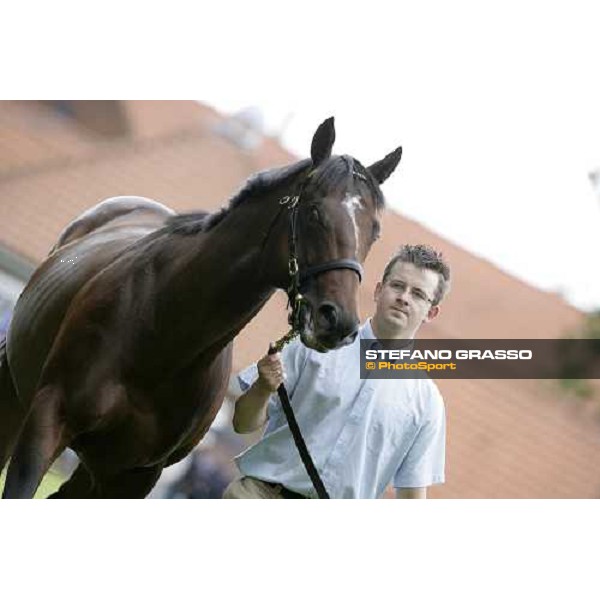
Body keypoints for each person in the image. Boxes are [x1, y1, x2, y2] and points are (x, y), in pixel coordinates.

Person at [223, 244, 451, 499]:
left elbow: (412, 496)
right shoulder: (313, 342)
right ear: (378, 291)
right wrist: (263, 388)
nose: (404, 297)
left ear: (431, 312)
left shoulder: (428, 403)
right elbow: (242, 423)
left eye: (418, 294)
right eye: (397, 285)